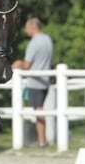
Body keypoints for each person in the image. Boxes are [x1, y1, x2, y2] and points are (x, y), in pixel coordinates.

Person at [11, 17, 53, 148]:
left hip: (35, 81)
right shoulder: (48, 40)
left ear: (32, 27)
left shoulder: (34, 43)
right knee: (40, 109)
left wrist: (19, 64)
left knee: (38, 110)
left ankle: (42, 140)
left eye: (27, 27)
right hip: (46, 81)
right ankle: (42, 139)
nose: (26, 30)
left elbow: (28, 65)